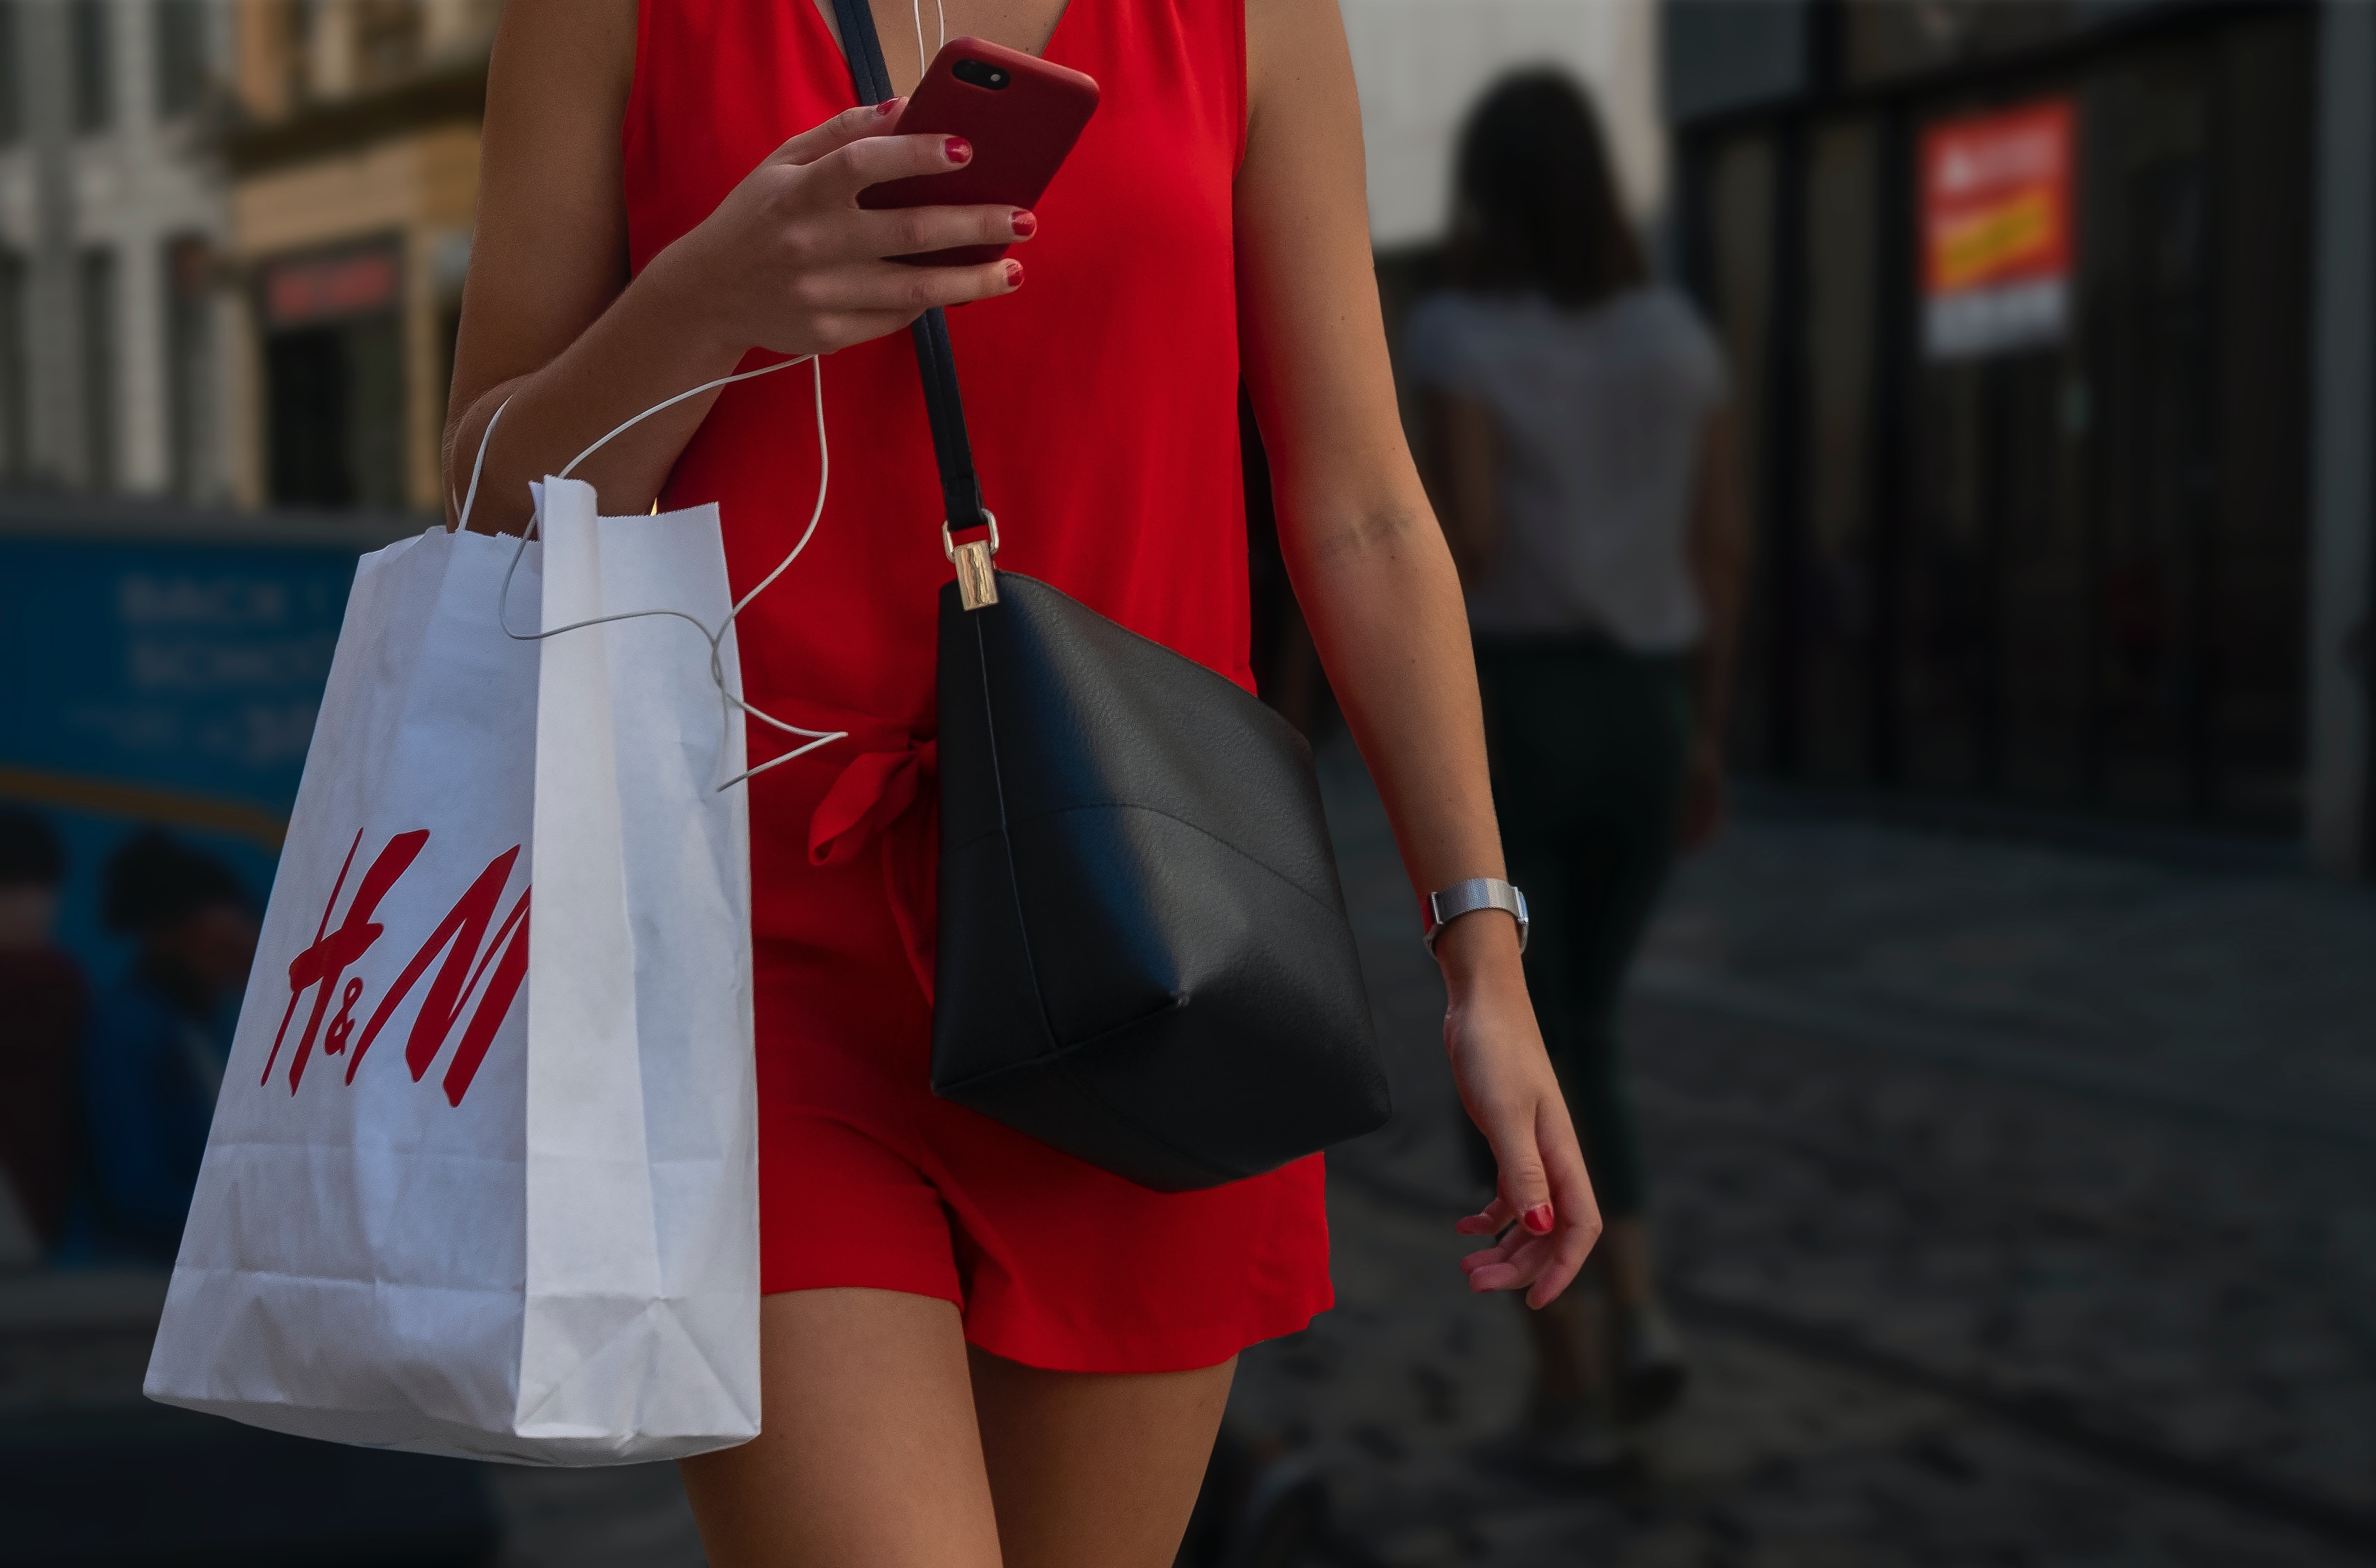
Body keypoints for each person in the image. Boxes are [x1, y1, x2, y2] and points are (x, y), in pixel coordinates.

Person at [446, 4, 1598, 1563]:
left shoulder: (1254, 19)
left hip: (1148, 937)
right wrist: (703, 304)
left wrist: (1482, 950)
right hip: (747, 948)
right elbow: (485, 500)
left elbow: (1362, 508)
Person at [1407, 71, 1748, 1462]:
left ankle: (1564, 1380)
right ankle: (1646, 1313)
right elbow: (1721, 552)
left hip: (1519, 708)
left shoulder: (1458, 335)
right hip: (1651, 707)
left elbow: (1471, 541)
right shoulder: (1678, 340)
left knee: (1502, 1045)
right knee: (1587, 1025)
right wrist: (1707, 732)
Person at [73, 830, 258, 1265]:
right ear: (167, 938)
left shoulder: (204, 1024)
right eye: (221, 950)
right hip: (148, 1274)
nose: (233, 970)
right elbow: (136, 1191)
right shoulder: (128, 1031)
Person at [0, 808, 85, 1262]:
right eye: (10, 889)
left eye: (42, 889)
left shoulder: (63, 987)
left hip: (48, 1235)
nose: (30, 906)